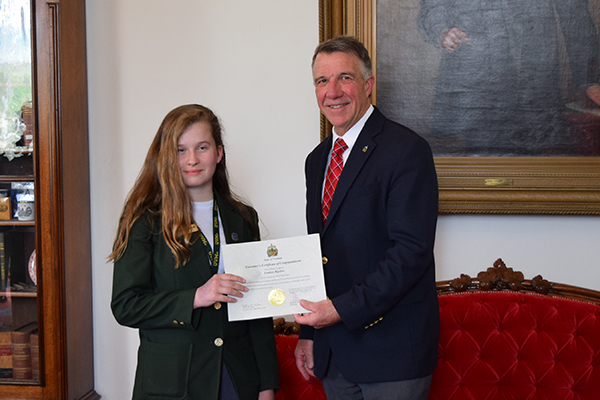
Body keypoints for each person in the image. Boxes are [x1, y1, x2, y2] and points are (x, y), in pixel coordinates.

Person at [294, 36, 440, 400]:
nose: (333, 91)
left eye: (345, 77)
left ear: (368, 84)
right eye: (321, 81)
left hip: (391, 354)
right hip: (335, 354)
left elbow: (411, 252)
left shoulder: (407, 151)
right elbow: (317, 251)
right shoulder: (317, 160)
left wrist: (340, 310)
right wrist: (309, 335)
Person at [109, 104, 278, 400]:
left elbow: (258, 308)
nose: (192, 160)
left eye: (202, 147)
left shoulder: (243, 217)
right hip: (172, 385)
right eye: (180, 150)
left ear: (219, 153)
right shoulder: (143, 220)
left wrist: (266, 384)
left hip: (237, 379)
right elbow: (126, 305)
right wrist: (196, 297)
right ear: (166, 156)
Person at [417, 0, 600, 156]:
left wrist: (589, 79)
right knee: (482, 167)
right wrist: (441, 31)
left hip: (534, 81)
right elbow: (433, 5)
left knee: (536, 168)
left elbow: (576, 16)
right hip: (476, 82)